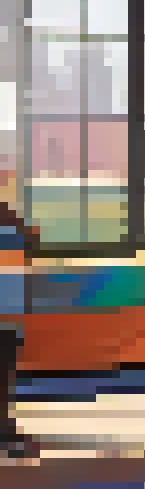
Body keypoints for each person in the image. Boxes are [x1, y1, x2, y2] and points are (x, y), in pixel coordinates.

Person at [0, 196, 37, 458]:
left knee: (6, 379)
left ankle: (6, 428)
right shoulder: (14, 232)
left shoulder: (15, 232)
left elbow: (31, 242)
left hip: (11, 320)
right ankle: (6, 430)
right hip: (9, 320)